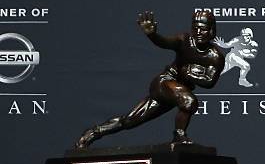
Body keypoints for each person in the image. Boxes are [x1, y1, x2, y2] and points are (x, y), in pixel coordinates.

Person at [75, 10, 225, 148]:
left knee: (130, 120)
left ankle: (93, 133)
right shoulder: (185, 40)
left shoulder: (215, 57)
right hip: (164, 83)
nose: (198, 32)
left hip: (176, 94)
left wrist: (190, 74)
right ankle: (179, 135)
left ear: (211, 30)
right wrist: (152, 34)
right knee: (189, 101)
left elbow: (210, 82)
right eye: (195, 28)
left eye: (203, 29)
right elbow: (165, 42)